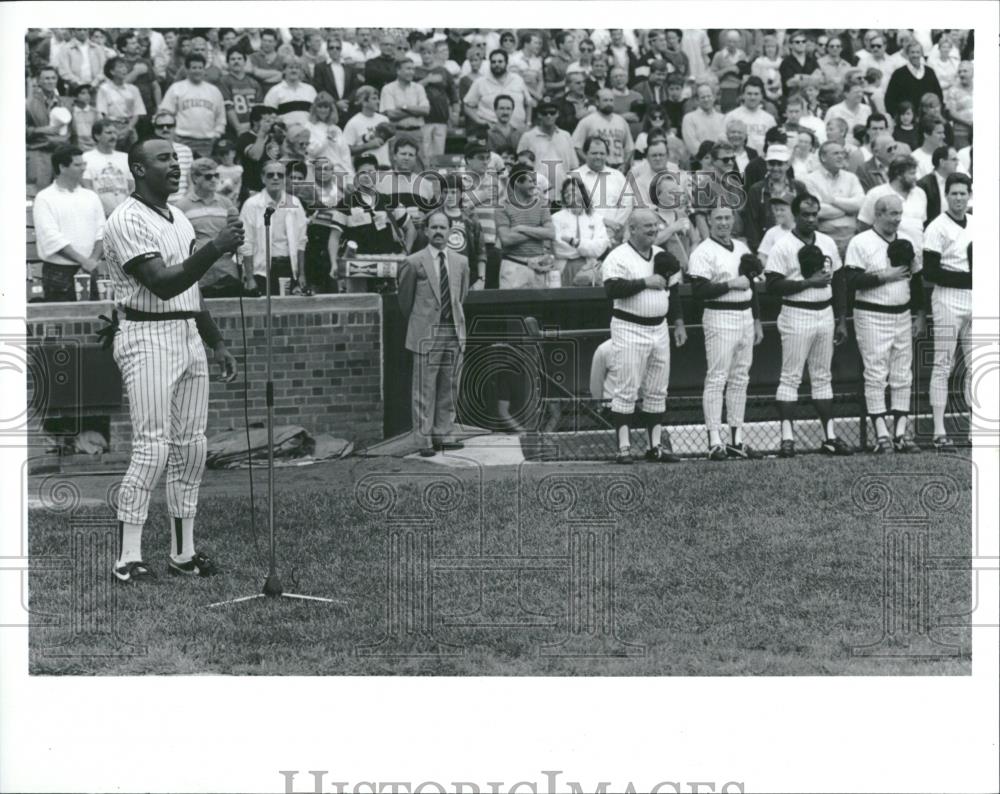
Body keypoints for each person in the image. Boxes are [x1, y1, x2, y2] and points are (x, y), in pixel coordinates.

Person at [101, 137, 242, 583]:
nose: (174, 166)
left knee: (191, 447)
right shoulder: (124, 219)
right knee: (152, 448)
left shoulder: (178, 216)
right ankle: (127, 558)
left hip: (185, 333)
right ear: (139, 169)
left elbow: (190, 291)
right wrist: (216, 247)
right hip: (146, 332)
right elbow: (162, 283)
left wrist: (216, 342)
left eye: (175, 159)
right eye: (163, 159)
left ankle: (184, 553)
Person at [763, 193, 852, 457]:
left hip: (824, 313)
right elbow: (772, 285)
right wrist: (806, 283)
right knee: (791, 376)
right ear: (794, 214)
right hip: (796, 312)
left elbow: (839, 281)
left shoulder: (827, 242)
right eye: (805, 214)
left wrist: (842, 319)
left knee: (823, 376)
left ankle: (830, 437)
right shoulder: (782, 245)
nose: (811, 219)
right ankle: (787, 438)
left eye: (814, 214)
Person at [601, 208, 686, 464]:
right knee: (627, 388)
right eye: (646, 226)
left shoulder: (662, 255)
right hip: (629, 326)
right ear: (632, 229)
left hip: (659, 328)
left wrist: (679, 323)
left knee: (657, 389)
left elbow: (675, 292)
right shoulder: (618, 256)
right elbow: (612, 289)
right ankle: (624, 448)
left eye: (655, 225)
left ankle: (655, 446)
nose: (652, 230)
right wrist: (645, 282)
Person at [845, 194, 926, 453]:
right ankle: (881, 434)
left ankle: (901, 433)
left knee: (903, 373)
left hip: (902, 313)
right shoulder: (861, 242)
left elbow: (916, 279)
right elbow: (852, 280)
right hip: (871, 313)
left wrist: (920, 314)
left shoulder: (906, 240)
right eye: (892, 213)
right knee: (876, 372)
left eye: (899, 213)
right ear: (878, 215)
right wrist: (885, 275)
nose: (897, 219)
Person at [687, 205, 765, 460]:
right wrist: (731, 284)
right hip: (719, 314)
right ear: (709, 221)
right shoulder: (703, 251)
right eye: (718, 218)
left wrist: (756, 320)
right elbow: (698, 291)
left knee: (741, 377)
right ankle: (714, 440)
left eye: (727, 217)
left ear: (734, 220)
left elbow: (751, 284)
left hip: (744, 314)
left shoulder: (742, 248)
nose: (723, 222)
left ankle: (736, 439)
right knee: (717, 377)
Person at [397, 211, 470, 456]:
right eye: (434, 227)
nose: (439, 232)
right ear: (426, 231)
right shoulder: (413, 262)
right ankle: (424, 440)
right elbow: (405, 301)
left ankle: (444, 433)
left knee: (449, 386)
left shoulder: (461, 262)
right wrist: (421, 322)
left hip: (453, 330)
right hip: (426, 333)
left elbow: (461, 297)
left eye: (443, 227)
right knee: (424, 390)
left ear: (450, 231)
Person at [922, 172, 972, 451]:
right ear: (946, 195)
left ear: (969, 194)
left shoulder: (977, 223)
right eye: (954, 193)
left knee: (976, 366)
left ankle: (975, 428)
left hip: (975, 298)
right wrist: (969, 279)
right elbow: (930, 272)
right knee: (943, 363)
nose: (958, 198)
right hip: (947, 299)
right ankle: (939, 430)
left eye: (963, 193)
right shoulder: (936, 226)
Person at [32, 145, 106, 302]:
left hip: (90, 269)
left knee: (95, 323)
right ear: (62, 167)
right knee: (62, 323)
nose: (83, 168)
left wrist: (91, 262)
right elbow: (50, 237)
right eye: (77, 165)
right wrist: (84, 261)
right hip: (59, 274)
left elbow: (102, 231)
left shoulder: (91, 196)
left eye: (84, 164)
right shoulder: (44, 198)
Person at [325, 154, 414, 282]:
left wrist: (406, 255)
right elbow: (334, 237)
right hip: (357, 269)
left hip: (386, 268)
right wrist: (334, 263)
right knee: (361, 300)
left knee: (388, 300)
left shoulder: (389, 201)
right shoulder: (346, 203)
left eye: (371, 172)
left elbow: (410, 228)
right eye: (363, 172)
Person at [172, 158, 245, 298]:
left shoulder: (226, 203)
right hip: (198, 275)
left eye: (216, 175)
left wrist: (246, 273)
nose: (214, 180)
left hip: (227, 272)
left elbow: (238, 238)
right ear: (195, 178)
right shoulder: (180, 207)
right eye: (208, 176)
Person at [238, 160, 309, 295]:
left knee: (286, 311)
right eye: (270, 175)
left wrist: (301, 275)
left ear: (285, 179)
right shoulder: (251, 205)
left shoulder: (295, 203)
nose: (275, 178)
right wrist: (250, 277)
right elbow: (246, 243)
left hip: (289, 267)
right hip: (261, 270)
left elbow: (301, 242)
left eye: (280, 175)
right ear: (263, 178)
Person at [496, 163, 555, 289]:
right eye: (530, 181)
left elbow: (551, 233)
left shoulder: (541, 205)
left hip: (539, 267)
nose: (534, 185)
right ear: (518, 182)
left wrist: (521, 229)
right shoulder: (502, 206)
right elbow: (506, 239)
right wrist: (538, 232)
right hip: (513, 267)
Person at [802, 141, 864, 259]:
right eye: (836, 153)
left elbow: (860, 204)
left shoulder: (851, 178)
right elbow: (817, 210)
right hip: (824, 239)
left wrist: (833, 200)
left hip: (851, 239)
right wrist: (847, 209)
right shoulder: (810, 180)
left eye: (842, 153)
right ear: (823, 157)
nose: (841, 156)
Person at [158, 53, 226, 157]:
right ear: (187, 69)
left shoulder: (214, 91)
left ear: (204, 69)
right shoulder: (176, 88)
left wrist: (217, 134)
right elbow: (165, 114)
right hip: (182, 139)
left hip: (206, 142)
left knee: (203, 170)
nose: (197, 71)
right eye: (194, 67)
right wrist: (172, 136)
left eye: (200, 67)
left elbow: (221, 117)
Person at [743, 143, 806, 254]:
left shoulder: (798, 187)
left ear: (787, 165)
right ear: (767, 165)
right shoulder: (756, 190)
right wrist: (758, 250)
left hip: (796, 246)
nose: (775, 168)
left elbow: (805, 216)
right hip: (766, 247)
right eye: (772, 163)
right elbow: (751, 224)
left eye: (780, 164)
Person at [857, 155, 927, 253]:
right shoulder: (876, 194)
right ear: (898, 175)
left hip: (917, 254)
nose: (916, 178)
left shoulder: (920, 193)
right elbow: (863, 225)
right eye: (912, 174)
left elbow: (921, 225)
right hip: (885, 255)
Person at [552, 175, 610, 286]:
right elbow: (558, 248)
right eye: (566, 192)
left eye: (573, 190)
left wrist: (575, 242)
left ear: (583, 193)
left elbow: (599, 248)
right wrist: (588, 248)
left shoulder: (596, 218)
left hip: (590, 270)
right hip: (564, 269)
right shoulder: (556, 218)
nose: (568, 193)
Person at [516, 99, 578, 204]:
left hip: (562, 195)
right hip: (537, 197)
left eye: (552, 112)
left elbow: (573, 167)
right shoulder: (528, 137)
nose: (548, 116)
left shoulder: (566, 136)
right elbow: (520, 169)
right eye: (544, 113)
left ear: (557, 114)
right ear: (539, 115)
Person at [570, 135, 629, 243]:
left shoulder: (618, 176)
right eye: (594, 153)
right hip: (585, 236)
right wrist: (604, 223)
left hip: (615, 235)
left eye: (602, 153)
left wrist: (616, 226)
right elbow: (574, 209)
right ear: (585, 154)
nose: (598, 157)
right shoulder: (574, 177)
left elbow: (628, 203)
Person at [439, 173, 486, 288]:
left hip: (467, 277)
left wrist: (481, 279)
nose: (449, 196)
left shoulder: (470, 219)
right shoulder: (434, 217)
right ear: (441, 194)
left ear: (461, 194)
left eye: (454, 192)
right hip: (440, 277)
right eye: (446, 192)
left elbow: (481, 251)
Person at [27, 66, 71, 188]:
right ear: (38, 81)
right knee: (38, 190)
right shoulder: (28, 103)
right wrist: (40, 130)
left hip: (60, 152)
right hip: (39, 152)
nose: (50, 81)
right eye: (46, 78)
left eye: (53, 78)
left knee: (62, 191)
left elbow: (71, 129)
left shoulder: (64, 102)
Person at [415, 40, 460, 161]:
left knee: (438, 155)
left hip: (441, 117)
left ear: (434, 54)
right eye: (424, 53)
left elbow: (453, 95)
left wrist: (455, 113)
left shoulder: (443, 71)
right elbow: (410, 91)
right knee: (424, 154)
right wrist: (427, 80)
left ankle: (436, 178)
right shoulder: (415, 71)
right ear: (420, 54)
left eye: (429, 52)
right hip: (422, 119)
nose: (426, 55)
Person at [464, 49, 531, 129]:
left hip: (518, 129)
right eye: (493, 62)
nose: (497, 64)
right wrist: (480, 121)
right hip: (491, 130)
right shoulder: (480, 82)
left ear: (506, 63)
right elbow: (467, 106)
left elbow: (528, 103)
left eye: (500, 61)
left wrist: (528, 123)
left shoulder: (518, 79)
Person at [571, 88, 634, 170]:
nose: (609, 103)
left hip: (618, 166)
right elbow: (576, 146)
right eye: (605, 100)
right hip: (596, 167)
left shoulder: (621, 121)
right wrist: (589, 162)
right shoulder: (587, 121)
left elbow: (630, 147)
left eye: (611, 100)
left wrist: (625, 164)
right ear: (597, 102)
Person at [81, 120, 133, 217]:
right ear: (97, 136)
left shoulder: (125, 157)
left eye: (115, 133)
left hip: (124, 213)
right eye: (108, 133)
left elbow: (133, 187)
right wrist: (102, 210)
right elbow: (87, 187)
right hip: (99, 214)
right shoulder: (87, 157)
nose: (113, 137)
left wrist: (125, 208)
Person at [96, 57, 146, 149]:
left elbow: (137, 112)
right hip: (112, 126)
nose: (124, 70)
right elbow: (102, 113)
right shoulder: (104, 89)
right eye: (120, 67)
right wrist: (114, 130)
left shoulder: (133, 89)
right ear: (112, 72)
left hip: (129, 126)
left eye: (125, 67)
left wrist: (128, 128)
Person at [380, 57, 431, 147]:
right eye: (408, 69)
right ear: (398, 71)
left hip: (416, 132)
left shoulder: (419, 88)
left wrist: (404, 107)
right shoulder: (388, 88)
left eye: (413, 69)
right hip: (397, 133)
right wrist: (416, 111)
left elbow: (426, 111)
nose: (412, 72)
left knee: (420, 160)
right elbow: (391, 114)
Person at [884, 41, 942, 117]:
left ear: (921, 54)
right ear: (907, 54)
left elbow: (938, 94)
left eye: (918, 52)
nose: (915, 55)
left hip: (928, 117)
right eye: (912, 52)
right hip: (907, 118)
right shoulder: (899, 74)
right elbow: (890, 99)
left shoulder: (930, 72)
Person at [723, 76, 777, 155]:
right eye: (749, 94)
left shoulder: (769, 119)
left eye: (756, 94)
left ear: (761, 96)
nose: (752, 97)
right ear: (743, 95)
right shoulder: (732, 116)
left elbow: (774, 142)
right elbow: (723, 139)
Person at [218, 48, 262, 139]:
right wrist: (238, 128)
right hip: (232, 129)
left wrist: (253, 127)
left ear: (245, 61)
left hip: (252, 128)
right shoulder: (224, 81)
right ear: (228, 62)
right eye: (233, 59)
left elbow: (259, 108)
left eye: (239, 58)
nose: (236, 62)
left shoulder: (254, 82)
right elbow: (228, 107)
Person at [342, 84, 391, 167]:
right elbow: (346, 150)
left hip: (385, 168)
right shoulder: (353, 123)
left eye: (378, 98)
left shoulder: (384, 120)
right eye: (374, 99)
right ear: (364, 102)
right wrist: (367, 146)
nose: (378, 101)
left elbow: (391, 146)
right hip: (365, 170)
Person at [150, 110, 194, 201]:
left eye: (169, 126)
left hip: (182, 204)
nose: (165, 129)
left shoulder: (186, 151)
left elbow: (191, 182)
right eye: (160, 126)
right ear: (155, 129)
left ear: (175, 127)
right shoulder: (148, 152)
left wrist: (184, 203)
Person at [263, 58, 317, 127]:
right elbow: (268, 117)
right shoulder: (274, 91)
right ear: (284, 70)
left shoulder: (310, 90)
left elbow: (317, 114)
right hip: (285, 134)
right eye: (290, 67)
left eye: (297, 68)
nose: (294, 70)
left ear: (301, 71)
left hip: (309, 133)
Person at [681, 81, 726, 158]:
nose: (706, 99)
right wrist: (708, 158)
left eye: (709, 96)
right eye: (703, 97)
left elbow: (725, 141)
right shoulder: (689, 118)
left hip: (721, 160)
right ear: (697, 100)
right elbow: (692, 145)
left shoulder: (722, 118)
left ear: (714, 97)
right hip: (699, 161)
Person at [917, 145, 959, 226]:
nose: (957, 163)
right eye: (954, 160)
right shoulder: (924, 185)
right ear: (942, 162)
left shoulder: (956, 181)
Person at [56, 28, 107, 94]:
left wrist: (94, 83)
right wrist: (79, 85)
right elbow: (64, 71)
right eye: (79, 30)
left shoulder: (97, 48)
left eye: (85, 30)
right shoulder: (66, 49)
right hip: (75, 89)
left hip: (96, 88)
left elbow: (104, 68)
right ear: (73, 32)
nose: (82, 32)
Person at [69, 84, 100, 151]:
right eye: (83, 93)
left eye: (88, 93)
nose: (87, 96)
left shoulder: (95, 112)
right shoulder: (70, 112)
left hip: (93, 144)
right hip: (77, 145)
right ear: (75, 97)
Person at [212, 138, 243, 202]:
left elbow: (238, 187)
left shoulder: (239, 169)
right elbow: (217, 189)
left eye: (227, 153)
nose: (224, 157)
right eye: (221, 154)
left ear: (233, 153)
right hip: (220, 200)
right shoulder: (217, 170)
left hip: (235, 200)